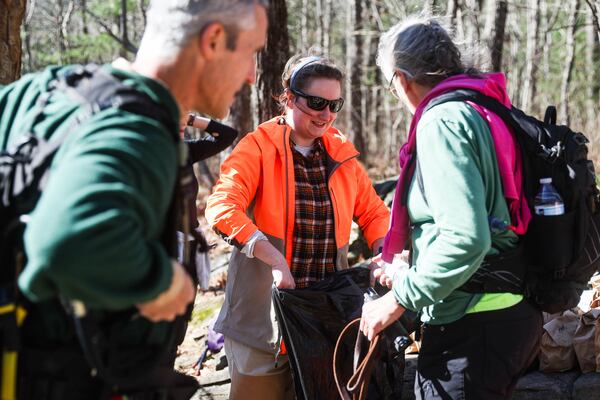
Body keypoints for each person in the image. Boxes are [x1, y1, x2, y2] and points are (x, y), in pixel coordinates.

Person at [0, 0, 267, 398]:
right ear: (212, 40)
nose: (250, 76)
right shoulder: (139, 133)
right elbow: (67, 243)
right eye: (250, 53)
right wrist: (161, 283)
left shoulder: (38, 92)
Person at [360, 16, 543, 399]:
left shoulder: (441, 121)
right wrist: (420, 260)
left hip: (471, 324)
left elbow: (466, 239)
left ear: (402, 78)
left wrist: (398, 299)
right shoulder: (481, 105)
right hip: (509, 313)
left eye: (392, 86)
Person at [205, 54, 390, 400]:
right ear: (289, 98)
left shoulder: (342, 157)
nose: (326, 114)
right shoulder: (258, 147)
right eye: (317, 102)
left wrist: (383, 253)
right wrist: (273, 258)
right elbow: (221, 207)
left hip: (323, 323)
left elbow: (376, 214)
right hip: (262, 326)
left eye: (334, 104)